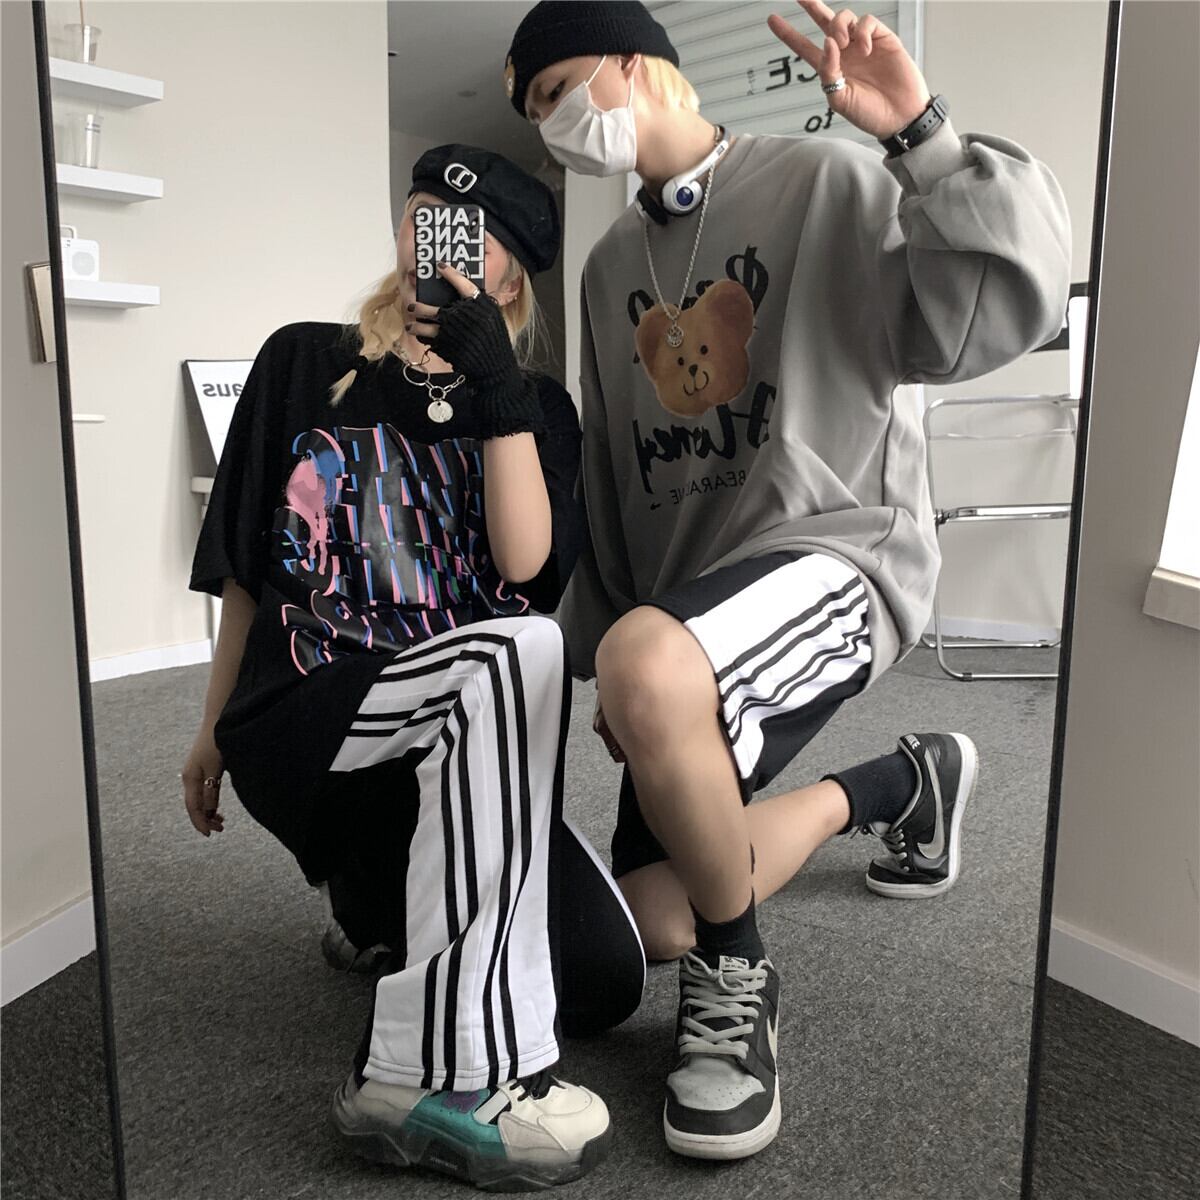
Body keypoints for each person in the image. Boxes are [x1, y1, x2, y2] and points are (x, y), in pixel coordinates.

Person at [505, 0, 1071, 1162]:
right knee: (652, 916)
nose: (552, 121)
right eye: (532, 111)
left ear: (636, 64)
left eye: (558, 88)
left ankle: (739, 982)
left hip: (840, 553)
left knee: (701, 908)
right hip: (686, 617)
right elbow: (613, 473)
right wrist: (624, 663)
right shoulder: (608, 267)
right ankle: (898, 784)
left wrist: (921, 137)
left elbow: (997, 314)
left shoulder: (824, 180)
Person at [183, 144, 644, 1190]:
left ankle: (373, 907)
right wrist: (211, 727)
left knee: (603, 981)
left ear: (511, 277)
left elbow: (524, 568)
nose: (433, 242)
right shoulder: (302, 360)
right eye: (422, 214)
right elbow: (249, 569)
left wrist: (496, 390)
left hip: (459, 739)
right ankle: (438, 1074)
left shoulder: (537, 408)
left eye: (469, 233)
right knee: (522, 652)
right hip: (315, 706)